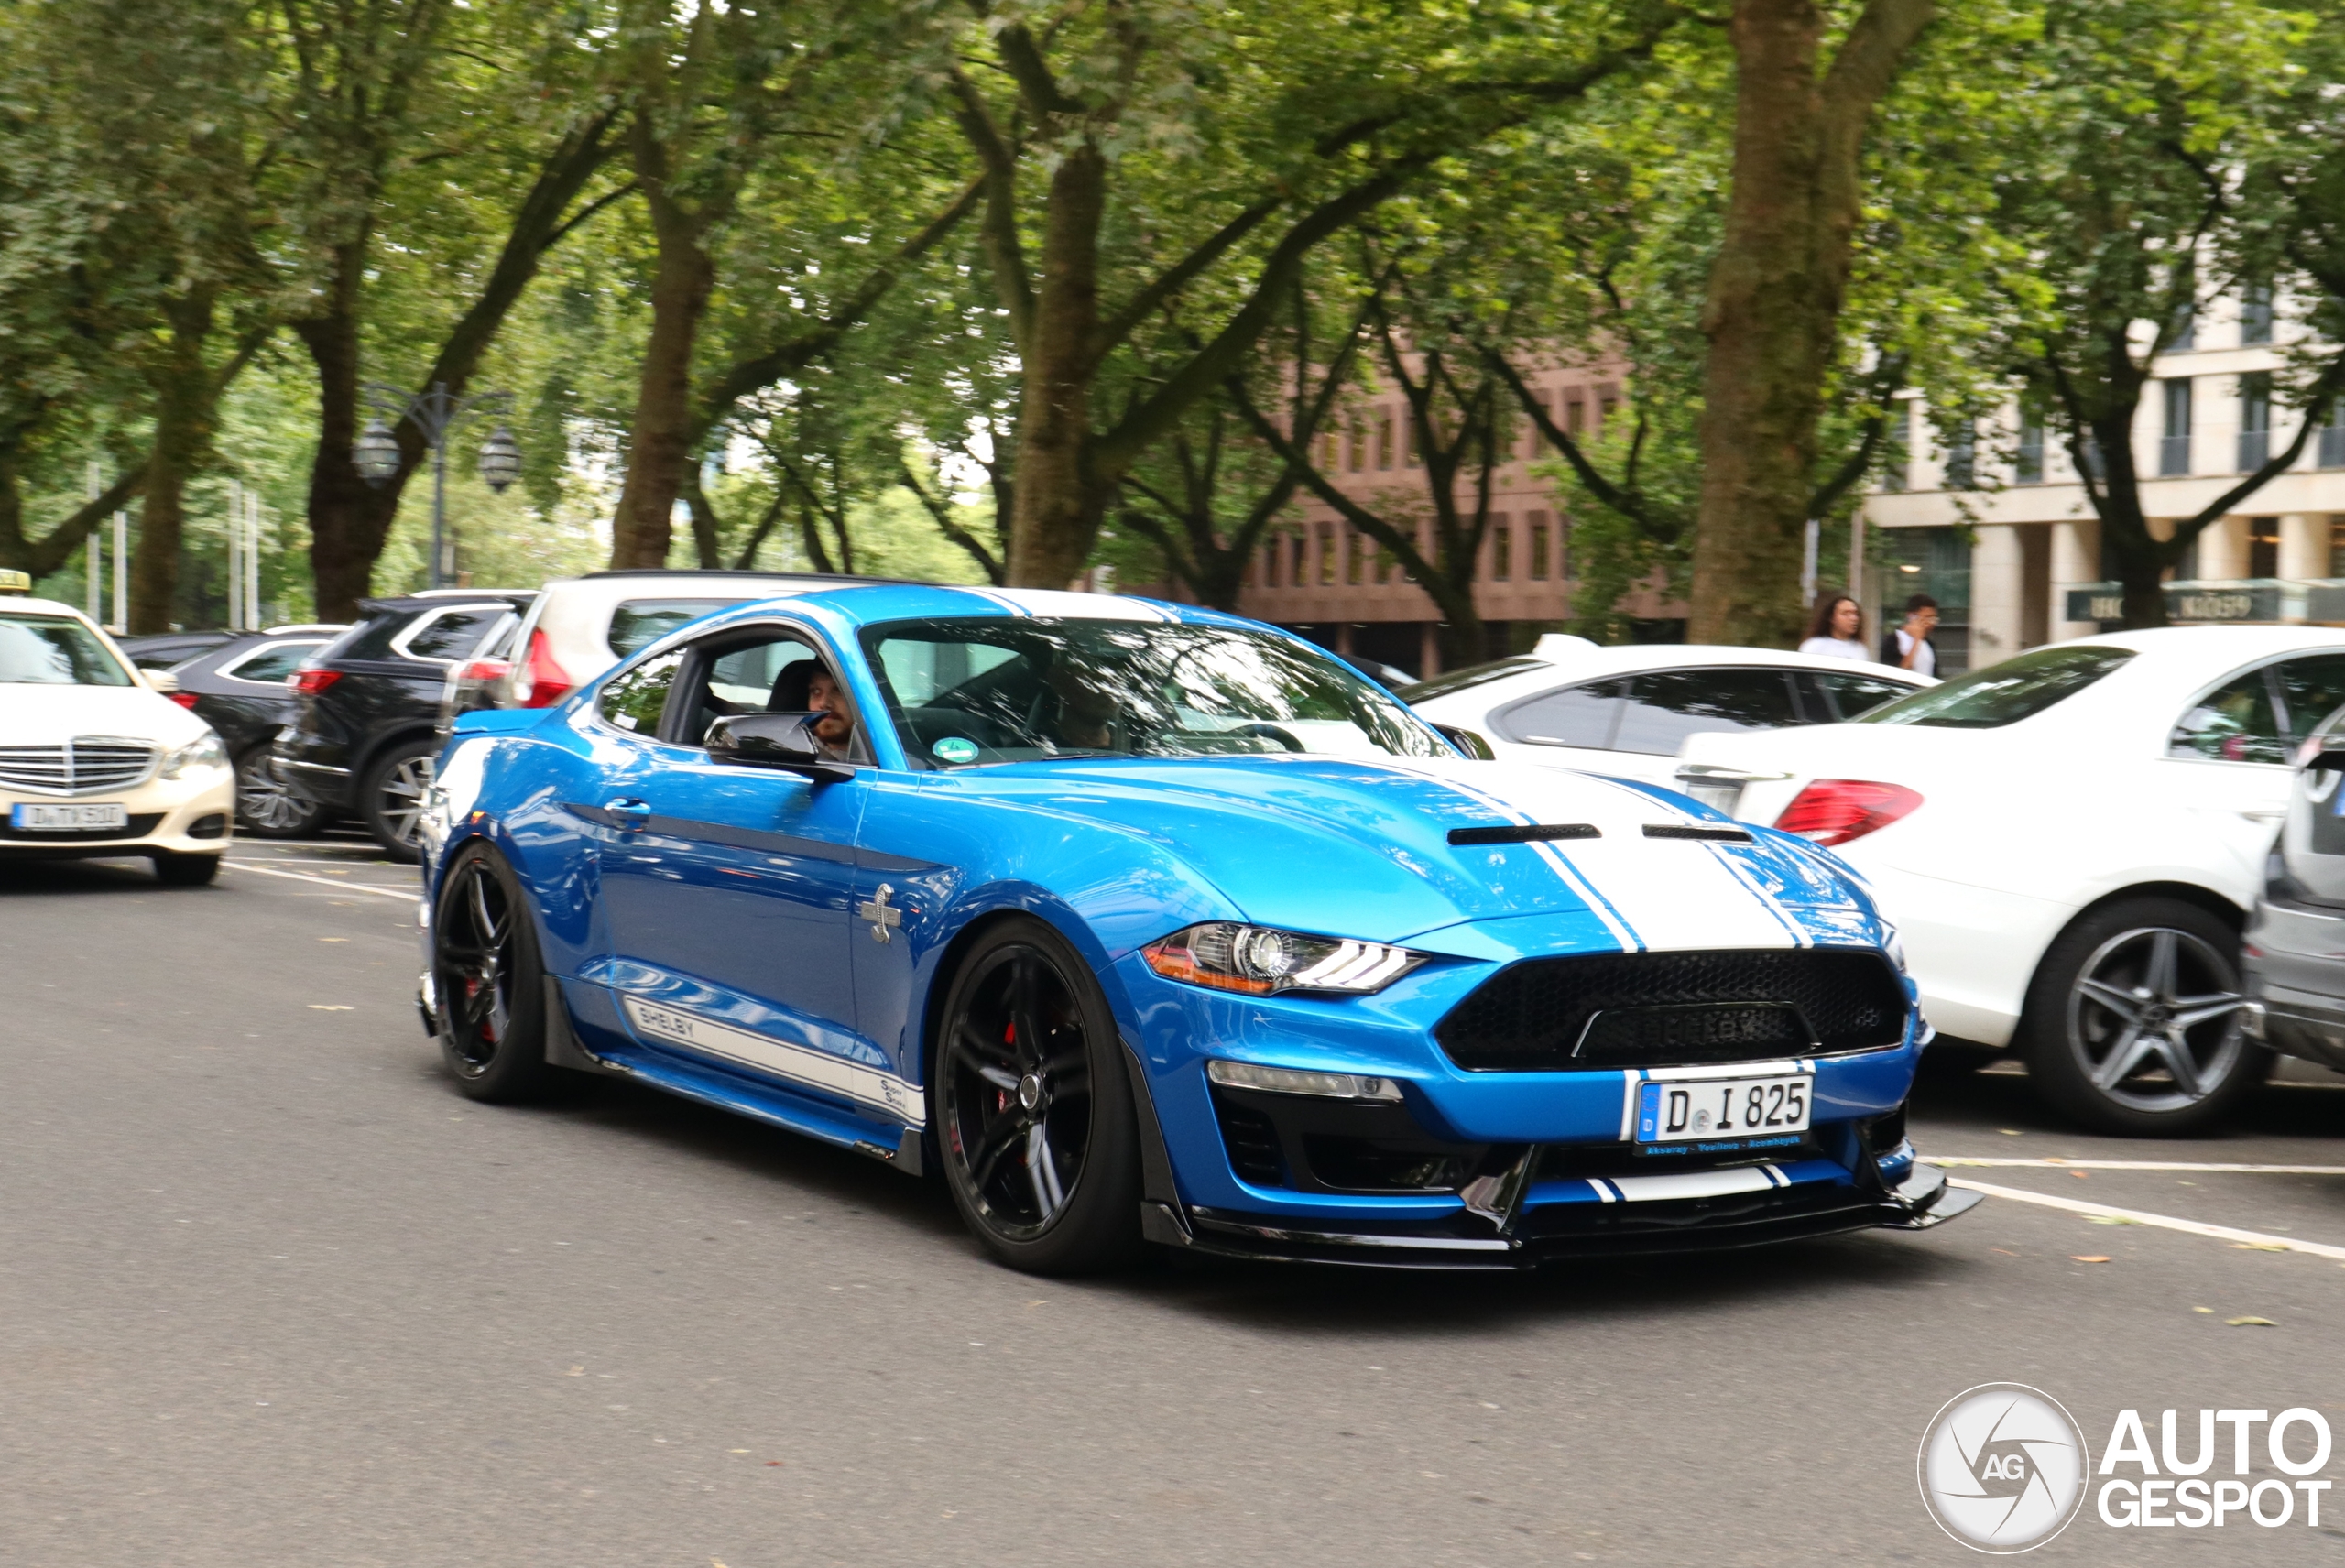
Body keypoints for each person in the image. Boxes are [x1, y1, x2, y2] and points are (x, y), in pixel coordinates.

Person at [1798, 594, 1870, 662]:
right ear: (1832, 618)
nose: (1853, 618)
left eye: (1855, 614)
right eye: (1846, 614)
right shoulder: (1814, 646)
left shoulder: (1860, 650)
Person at [1882, 593, 1939, 676]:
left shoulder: (1929, 644)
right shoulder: (1893, 640)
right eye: (1928, 617)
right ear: (1912, 616)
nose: (1932, 623)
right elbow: (1898, 674)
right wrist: (1916, 639)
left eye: (1934, 618)